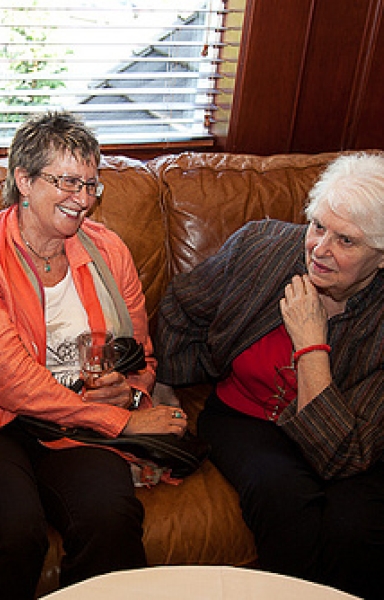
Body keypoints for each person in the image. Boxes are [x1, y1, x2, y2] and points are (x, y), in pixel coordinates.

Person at [0, 110, 186, 600]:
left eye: (92, 185)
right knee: (14, 531)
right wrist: (121, 424)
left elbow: (137, 353)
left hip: (76, 419)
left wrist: (130, 392)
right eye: (67, 182)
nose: (82, 199)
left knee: (111, 515)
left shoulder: (108, 251)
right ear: (23, 180)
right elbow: (10, 381)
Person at [153, 152, 384, 599]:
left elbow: (343, 456)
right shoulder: (261, 249)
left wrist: (311, 344)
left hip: (351, 440)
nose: (319, 249)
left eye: (346, 241)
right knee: (281, 498)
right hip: (247, 417)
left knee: (355, 530)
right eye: (318, 226)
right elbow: (182, 305)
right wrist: (164, 384)